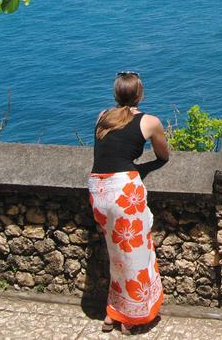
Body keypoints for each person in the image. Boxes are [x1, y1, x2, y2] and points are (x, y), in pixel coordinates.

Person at [88, 71, 170, 334]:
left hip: (98, 190)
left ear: (115, 94)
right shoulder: (149, 121)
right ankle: (132, 317)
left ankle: (112, 312)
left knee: (117, 256)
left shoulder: (102, 116)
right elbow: (163, 154)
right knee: (136, 255)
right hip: (123, 191)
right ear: (140, 95)